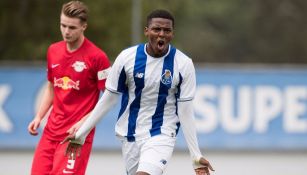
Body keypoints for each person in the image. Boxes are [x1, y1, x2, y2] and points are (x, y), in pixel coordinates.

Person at [63, 9, 214, 175]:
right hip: (130, 134)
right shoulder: (126, 58)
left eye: (167, 30)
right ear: (146, 31)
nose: (161, 34)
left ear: (172, 33)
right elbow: (108, 99)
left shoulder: (183, 64)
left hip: (161, 132)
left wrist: (195, 155)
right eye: (156, 29)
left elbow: (185, 111)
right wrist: (82, 133)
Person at [27, 1, 111, 174]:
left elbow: (108, 98)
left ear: (84, 27)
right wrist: (39, 116)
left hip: (76, 137)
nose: (66, 31)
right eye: (63, 25)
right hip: (50, 133)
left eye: (72, 27)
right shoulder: (53, 51)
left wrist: (83, 123)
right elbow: (51, 87)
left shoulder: (98, 57)